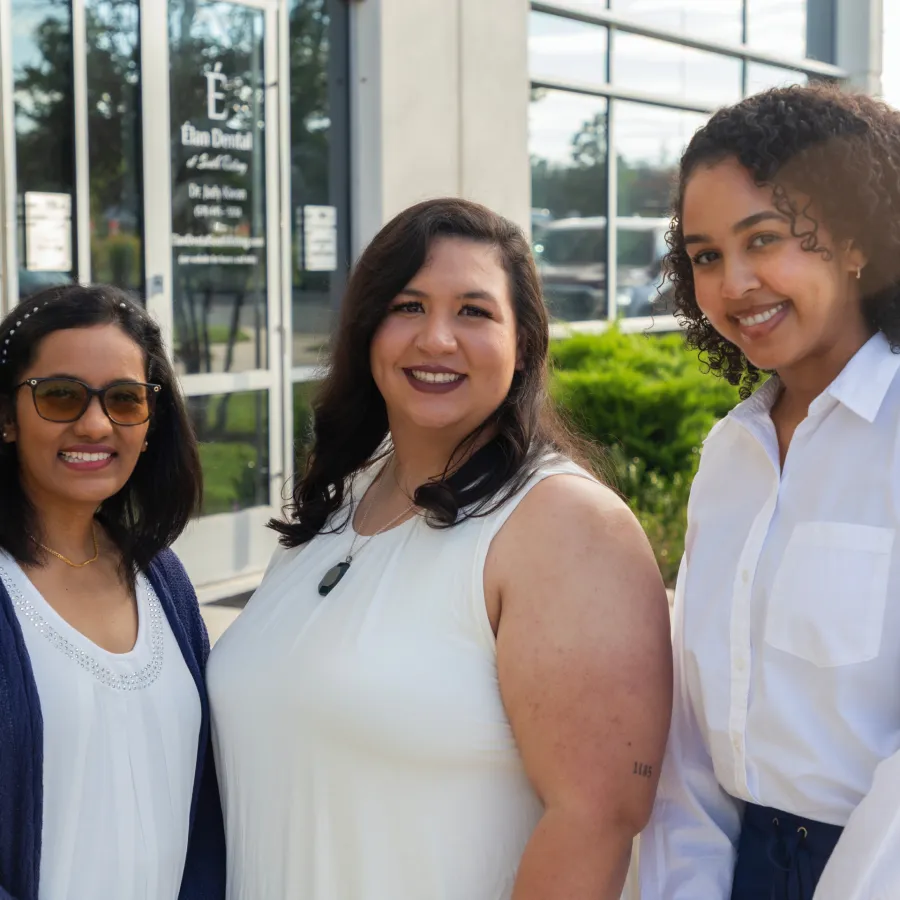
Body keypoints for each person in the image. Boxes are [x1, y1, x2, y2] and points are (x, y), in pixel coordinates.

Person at [207, 197, 673, 899]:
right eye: (408, 306)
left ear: (524, 346)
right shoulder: (345, 496)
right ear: (368, 331)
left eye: (474, 312)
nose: (437, 339)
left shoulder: (564, 525)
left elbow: (597, 820)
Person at [638, 84, 900, 900]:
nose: (735, 282)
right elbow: (693, 723)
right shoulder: (729, 456)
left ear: (855, 238)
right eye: (706, 255)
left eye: (766, 239)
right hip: (741, 864)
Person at [0, 284, 225, 899]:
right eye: (61, 396)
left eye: (125, 400)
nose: (95, 423)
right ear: (6, 417)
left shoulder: (162, 579)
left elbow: (203, 807)